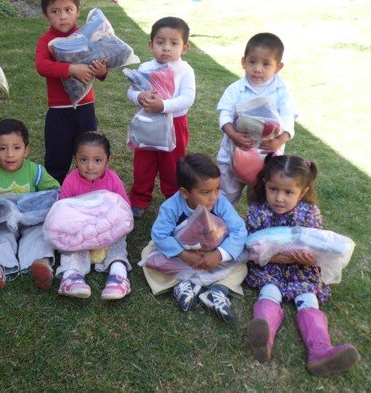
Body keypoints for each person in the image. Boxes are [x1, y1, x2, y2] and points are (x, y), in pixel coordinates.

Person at [245, 154, 359, 376]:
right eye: (273, 189)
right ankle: (263, 336)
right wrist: (273, 257)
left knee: (308, 299)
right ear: (265, 184)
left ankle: (320, 350)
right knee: (269, 291)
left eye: (288, 192)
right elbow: (248, 248)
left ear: (303, 192)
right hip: (270, 267)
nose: (279, 198)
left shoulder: (309, 213)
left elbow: (318, 245)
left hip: (302, 269)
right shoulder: (258, 211)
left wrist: (309, 259)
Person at [149, 153, 247, 322]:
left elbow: (239, 230)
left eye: (217, 189)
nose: (214, 197)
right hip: (182, 258)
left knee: (242, 265)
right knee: (149, 256)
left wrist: (219, 255)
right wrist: (183, 255)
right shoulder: (171, 207)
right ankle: (182, 286)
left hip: (214, 257)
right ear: (184, 193)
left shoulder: (220, 203)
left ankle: (217, 291)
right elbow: (159, 235)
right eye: (206, 192)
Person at [35, 0, 108, 184]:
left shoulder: (87, 37)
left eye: (68, 10)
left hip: (85, 108)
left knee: (88, 152)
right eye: (55, 11)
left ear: (78, 10)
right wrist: (71, 69)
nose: (63, 16)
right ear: (46, 14)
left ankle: (89, 187)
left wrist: (102, 71)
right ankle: (54, 191)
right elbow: (42, 66)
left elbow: (100, 68)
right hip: (59, 111)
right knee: (57, 156)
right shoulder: (46, 41)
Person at [0, 118, 60, 292]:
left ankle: (41, 264)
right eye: (2, 149)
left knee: (39, 235)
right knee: (1, 238)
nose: (10, 154)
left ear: (26, 150)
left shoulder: (36, 172)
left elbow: (54, 192)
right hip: (4, 223)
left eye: (16, 148)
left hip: (33, 220)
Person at [126, 17, 196, 219]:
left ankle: (174, 199)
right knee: (143, 163)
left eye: (174, 43)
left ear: (185, 48)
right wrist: (139, 96)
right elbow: (131, 91)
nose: (166, 48)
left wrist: (163, 106)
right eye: (160, 42)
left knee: (172, 165)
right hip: (147, 124)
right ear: (151, 45)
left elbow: (187, 98)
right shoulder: (145, 68)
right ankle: (139, 199)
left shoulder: (185, 70)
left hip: (174, 124)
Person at [216, 32, 297, 204]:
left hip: (265, 156)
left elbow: (288, 119)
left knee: (259, 197)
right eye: (252, 62)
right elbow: (225, 114)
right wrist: (233, 135)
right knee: (226, 194)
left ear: (278, 67)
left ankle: (255, 220)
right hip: (233, 153)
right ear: (243, 62)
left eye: (266, 64)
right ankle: (221, 219)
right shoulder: (235, 89)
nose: (257, 69)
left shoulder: (282, 92)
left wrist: (279, 141)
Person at [55, 131, 132, 300]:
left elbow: (124, 209)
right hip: (80, 231)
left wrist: (111, 224)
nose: (90, 166)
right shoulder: (71, 180)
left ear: (108, 160)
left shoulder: (113, 180)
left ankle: (118, 275)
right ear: (75, 159)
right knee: (70, 243)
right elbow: (62, 211)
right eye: (84, 160)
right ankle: (71, 276)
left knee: (119, 241)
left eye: (97, 160)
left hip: (108, 230)